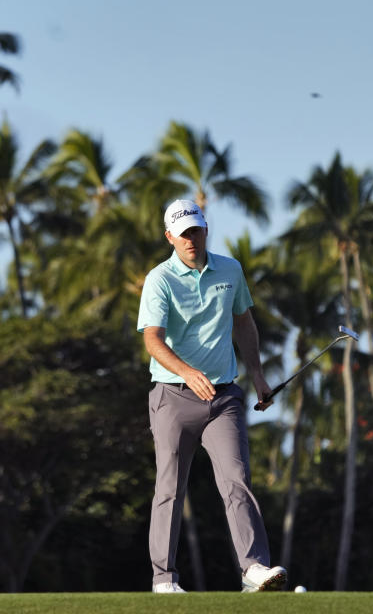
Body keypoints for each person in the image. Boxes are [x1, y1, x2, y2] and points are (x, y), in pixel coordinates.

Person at [137, 198, 287, 593]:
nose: (190, 238)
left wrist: (257, 374)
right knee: (170, 488)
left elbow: (243, 321)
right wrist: (186, 371)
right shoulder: (159, 279)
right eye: (182, 233)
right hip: (172, 397)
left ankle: (254, 570)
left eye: (195, 230)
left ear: (206, 229)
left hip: (224, 398)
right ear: (169, 236)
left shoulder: (231, 270)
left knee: (237, 479)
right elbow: (152, 339)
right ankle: (164, 579)